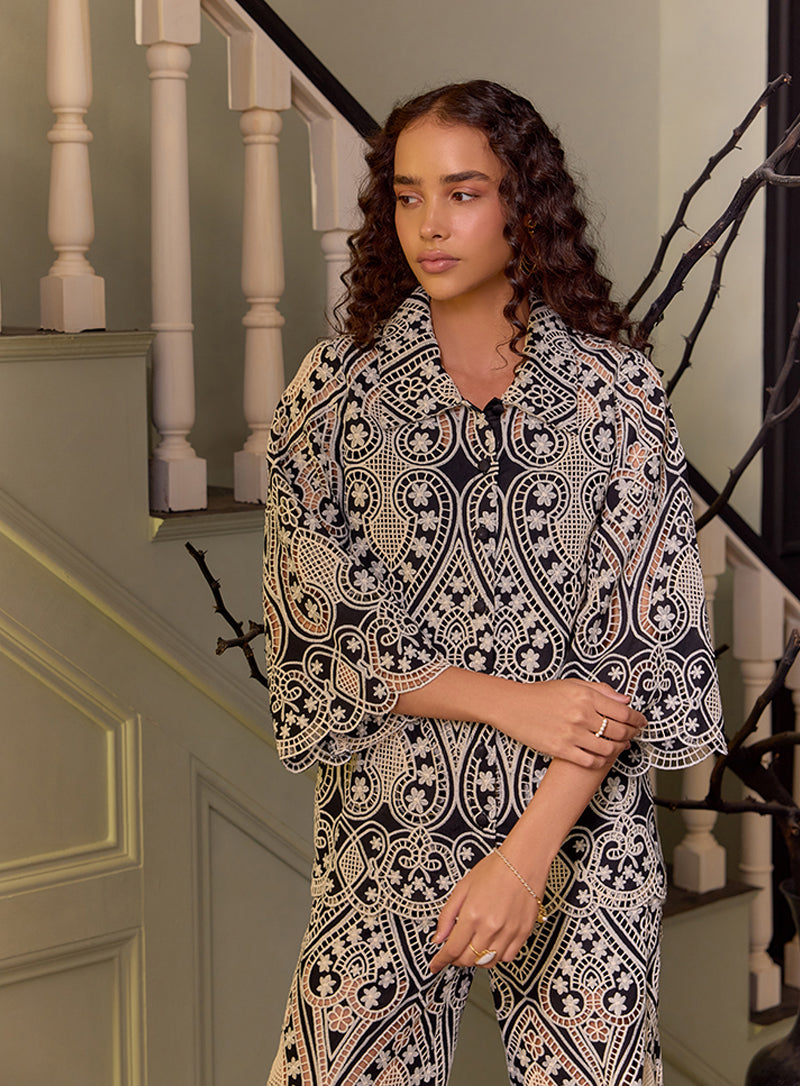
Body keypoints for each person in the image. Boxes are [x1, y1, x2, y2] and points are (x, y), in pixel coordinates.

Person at [262, 80, 725, 1086]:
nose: (429, 224)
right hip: (387, 824)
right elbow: (320, 629)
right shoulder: (332, 394)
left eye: (462, 193)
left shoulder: (614, 394)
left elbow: (641, 650)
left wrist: (522, 861)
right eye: (407, 194)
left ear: (525, 205)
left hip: (579, 832)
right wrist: (512, 701)